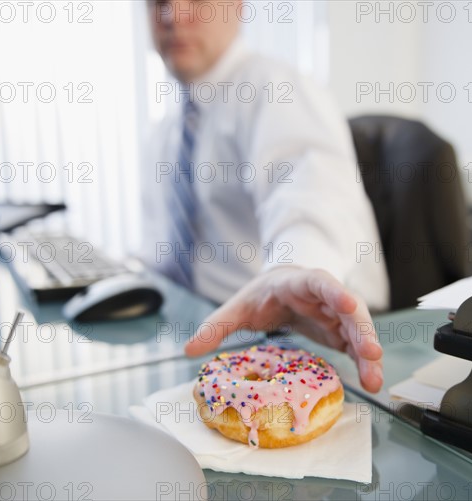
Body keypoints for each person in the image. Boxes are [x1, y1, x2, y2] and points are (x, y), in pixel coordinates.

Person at [142, 0, 389, 393]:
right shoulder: (166, 131)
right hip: (198, 339)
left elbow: (308, 189)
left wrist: (293, 268)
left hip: (297, 335)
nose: (173, 15)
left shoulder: (276, 89)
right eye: (158, 3)